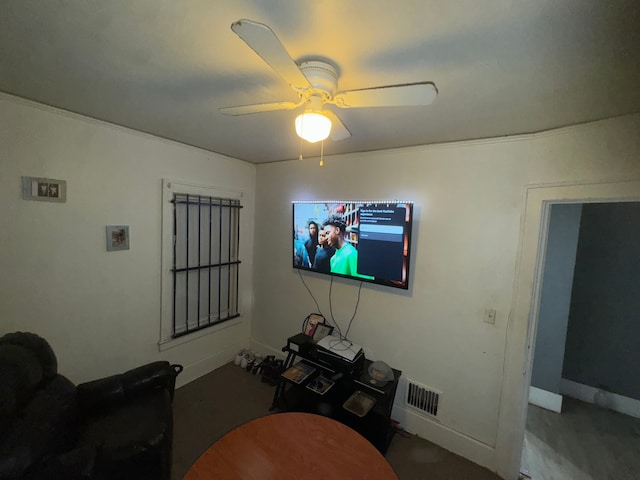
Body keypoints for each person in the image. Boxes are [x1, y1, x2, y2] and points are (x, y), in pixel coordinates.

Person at [322, 215, 373, 279]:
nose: (326, 237)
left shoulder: (351, 254)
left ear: (337, 230)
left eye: (328, 233)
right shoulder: (333, 258)